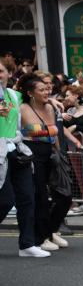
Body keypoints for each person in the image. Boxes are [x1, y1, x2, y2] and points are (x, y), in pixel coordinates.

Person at [18, 75, 74, 250]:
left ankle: (51, 230)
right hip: (33, 152)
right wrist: (51, 129)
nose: (46, 92)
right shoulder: (24, 107)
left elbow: (51, 133)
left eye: (47, 89)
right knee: (40, 197)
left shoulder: (50, 107)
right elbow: (31, 131)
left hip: (51, 152)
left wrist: (58, 152)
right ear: (30, 93)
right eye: (41, 90)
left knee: (65, 196)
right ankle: (42, 238)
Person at [0, 64, 47, 257]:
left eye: (1, 71)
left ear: (9, 74)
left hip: (17, 150)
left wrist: (54, 104)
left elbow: (34, 96)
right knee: (5, 200)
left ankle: (27, 244)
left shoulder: (14, 95)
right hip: (0, 152)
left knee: (27, 197)